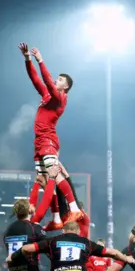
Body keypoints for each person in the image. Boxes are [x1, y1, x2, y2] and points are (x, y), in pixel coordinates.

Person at [19, 42, 83, 231]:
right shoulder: (49, 96)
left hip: (48, 141)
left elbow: (46, 80)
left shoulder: (59, 99)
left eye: (61, 79)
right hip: (39, 142)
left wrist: (40, 60)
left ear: (66, 87)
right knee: (43, 179)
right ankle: (56, 218)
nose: (57, 79)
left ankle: (74, 208)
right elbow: (36, 80)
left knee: (54, 174)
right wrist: (27, 59)